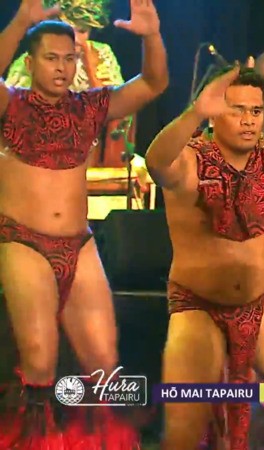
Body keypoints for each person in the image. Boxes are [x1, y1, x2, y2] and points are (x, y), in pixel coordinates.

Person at [0, 0, 167, 447]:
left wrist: (151, 36)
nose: (61, 67)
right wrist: (20, 21)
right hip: (23, 243)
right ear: (30, 62)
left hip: (79, 244)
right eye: (51, 58)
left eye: (69, 58)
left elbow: (153, 83)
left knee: (105, 363)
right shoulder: (11, 104)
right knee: (39, 363)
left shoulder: (88, 107)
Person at [144, 63, 264, 450]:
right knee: (182, 435)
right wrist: (195, 113)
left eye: (256, 110)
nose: (249, 120)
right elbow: (156, 162)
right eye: (236, 110)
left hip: (261, 309)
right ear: (214, 112)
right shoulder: (189, 161)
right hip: (198, 310)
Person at [6, 0, 136, 168]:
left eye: (82, 31)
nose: (75, 39)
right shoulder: (31, 62)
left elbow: (118, 111)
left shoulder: (102, 54)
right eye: (67, 29)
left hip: (94, 162)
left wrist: (91, 67)